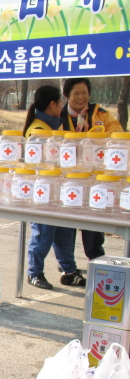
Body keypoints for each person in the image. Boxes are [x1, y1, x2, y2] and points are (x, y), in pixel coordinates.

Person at [24, 86, 84, 289]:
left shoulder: (51, 127)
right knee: (43, 233)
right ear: (53, 104)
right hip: (44, 192)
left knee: (65, 233)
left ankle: (69, 271)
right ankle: (34, 273)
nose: (63, 107)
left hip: (58, 190)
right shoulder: (39, 130)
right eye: (61, 102)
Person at [61, 78, 124, 269]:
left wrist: (98, 136)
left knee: (93, 222)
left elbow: (117, 134)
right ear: (66, 96)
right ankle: (66, 264)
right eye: (76, 93)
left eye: (84, 93)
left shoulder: (101, 114)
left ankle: (95, 260)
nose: (81, 98)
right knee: (65, 223)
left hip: (95, 178)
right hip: (68, 178)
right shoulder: (60, 116)